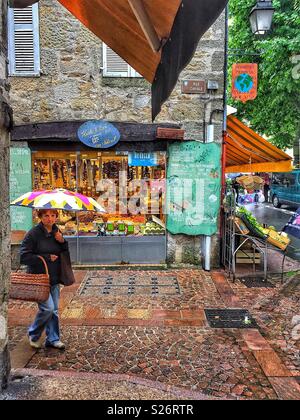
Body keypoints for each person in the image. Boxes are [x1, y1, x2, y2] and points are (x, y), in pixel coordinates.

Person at [20, 209, 69, 350]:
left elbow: (63, 252)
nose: (50, 219)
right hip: (39, 279)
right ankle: (34, 333)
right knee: (48, 308)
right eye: (46, 215)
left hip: (54, 277)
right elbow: (24, 257)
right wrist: (46, 258)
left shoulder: (56, 231)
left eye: (53, 215)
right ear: (40, 217)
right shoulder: (33, 234)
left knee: (54, 311)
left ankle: (53, 339)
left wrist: (63, 241)